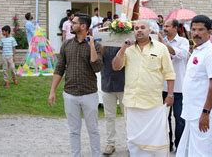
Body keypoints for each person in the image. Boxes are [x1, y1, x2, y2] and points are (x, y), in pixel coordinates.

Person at [112, 19, 175, 156]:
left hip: (152, 104)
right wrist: (123, 48)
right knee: (135, 141)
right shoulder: (127, 50)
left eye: (142, 27)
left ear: (149, 30)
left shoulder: (161, 48)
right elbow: (116, 66)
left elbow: (169, 73)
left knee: (155, 141)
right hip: (132, 103)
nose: (139, 30)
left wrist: (170, 94)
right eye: (136, 28)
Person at [48, 13, 103, 157]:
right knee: (73, 130)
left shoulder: (96, 46)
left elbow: (97, 67)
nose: (71, 25)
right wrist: (52, 91)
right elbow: (59, 68)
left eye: (74, 23)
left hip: (89, 94)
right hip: (70, 94)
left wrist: (91, 45)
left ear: (83, 26)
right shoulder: (66, 44)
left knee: (93, 129)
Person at [176, 15, 212, 157]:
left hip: (203, 112)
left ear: (210, 32)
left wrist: (206, 112)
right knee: (195, 148)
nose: (196, 33)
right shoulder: (197, 50)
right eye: (193, 29)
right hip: (192, 111)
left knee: (203, 151)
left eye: (201, 29)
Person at [158, 19, 189, 152]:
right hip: (162, 87)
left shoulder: (183, 41)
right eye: (164, 26)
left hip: (179, 87)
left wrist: (163, 43)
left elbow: (180, 55)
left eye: (167, 26)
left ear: (175, 28)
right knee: (164, 119)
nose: (164, 28)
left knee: (180, 119)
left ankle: (180, 146)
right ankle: (168, 145)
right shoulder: (158, 42)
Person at [101, 45, 125, 156]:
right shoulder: (103, 42)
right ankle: (110, 143)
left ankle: (131, 142)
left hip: (124, 84)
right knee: (109, 116)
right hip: (108, 83)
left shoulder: (126, 40)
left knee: (128, 116)